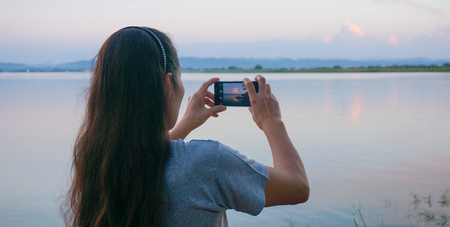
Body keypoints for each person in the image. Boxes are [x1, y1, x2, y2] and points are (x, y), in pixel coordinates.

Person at [63, 26, 309, 227]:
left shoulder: (97, 160)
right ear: (168, 83)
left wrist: (183, 127)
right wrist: (271, 122)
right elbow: (297, 187)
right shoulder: (207, 163)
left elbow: (146, 156)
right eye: (179, 77)